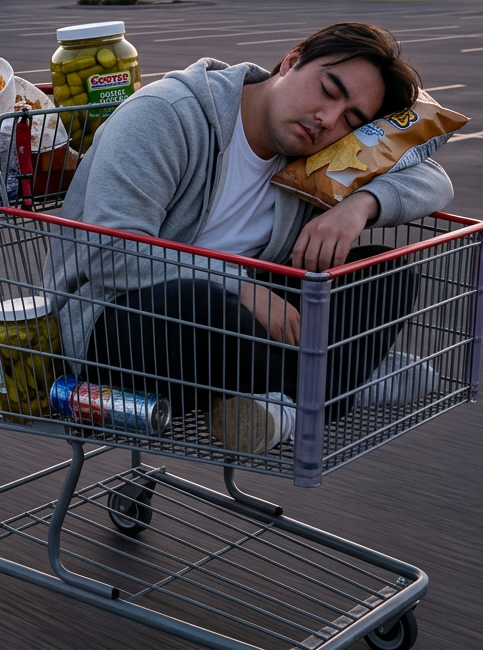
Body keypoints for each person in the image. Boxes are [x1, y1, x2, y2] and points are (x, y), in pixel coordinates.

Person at [45, 22, 453, 453]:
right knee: (202, 305)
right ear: (293, 60)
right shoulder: (168, 114)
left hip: (234, 334)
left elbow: (434, 179)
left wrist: (359, 207)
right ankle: (340, 385)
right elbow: (110, 252)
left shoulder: (321, 162)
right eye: (328, 90)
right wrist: (238, 286)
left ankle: (292, 398)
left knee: (385, 274)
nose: (328, 119)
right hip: (119, 326)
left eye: (351, 121)